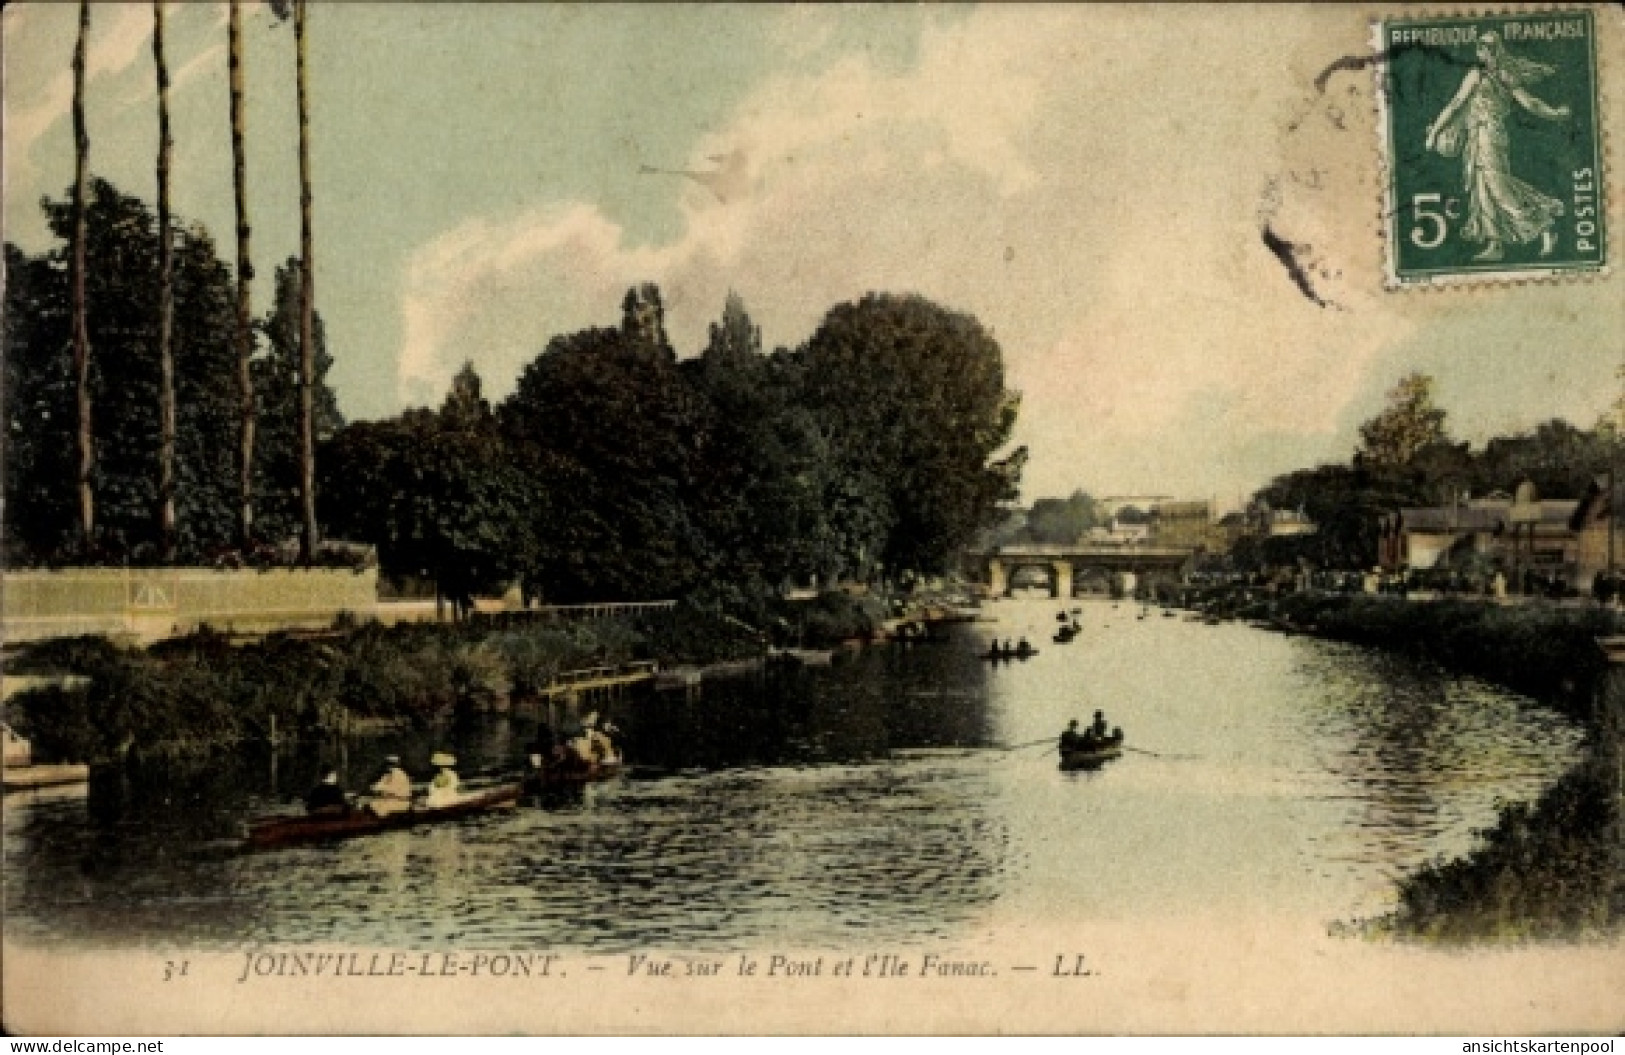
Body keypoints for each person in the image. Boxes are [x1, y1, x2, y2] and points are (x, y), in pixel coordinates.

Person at [1425, 31, 1570, 262]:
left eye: (1487, 48)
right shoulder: (1478, 74)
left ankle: (1543, 226)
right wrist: (1434, 133)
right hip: (1476, 135)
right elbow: (1455, 105)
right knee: (1481, 186)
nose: (1483, 52)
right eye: (1481, 48)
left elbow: (1530, 103)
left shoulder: (1502, 76)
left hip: (1490, 134)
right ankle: (1495, 244)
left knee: (1497, 186)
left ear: (1494, 50)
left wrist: (1554, 114)